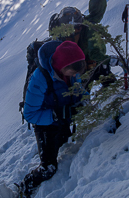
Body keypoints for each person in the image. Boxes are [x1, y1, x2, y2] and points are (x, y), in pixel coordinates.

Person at [19, 41, 87, 197]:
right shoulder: (40, 78)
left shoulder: (72, 71)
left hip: (63, 117)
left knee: (63, 143)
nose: (75, 75)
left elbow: (78, 89)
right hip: (45, 125)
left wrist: (84, 100)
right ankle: (25, 187)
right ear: (62, 66)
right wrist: (56, 114)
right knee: (48, 168)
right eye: (72, 72)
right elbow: (29, 114)